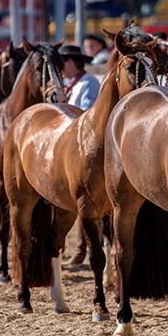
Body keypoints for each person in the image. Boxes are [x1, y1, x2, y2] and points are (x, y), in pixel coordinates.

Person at [58, 44, 101, 265]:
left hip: (83, 145)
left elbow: (86, 113)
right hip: (70, 145)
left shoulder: (89, 83)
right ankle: (78, 249)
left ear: (71, 63)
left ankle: (82, 248)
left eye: (62, 63)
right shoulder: (72, 84)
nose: (60, 68)